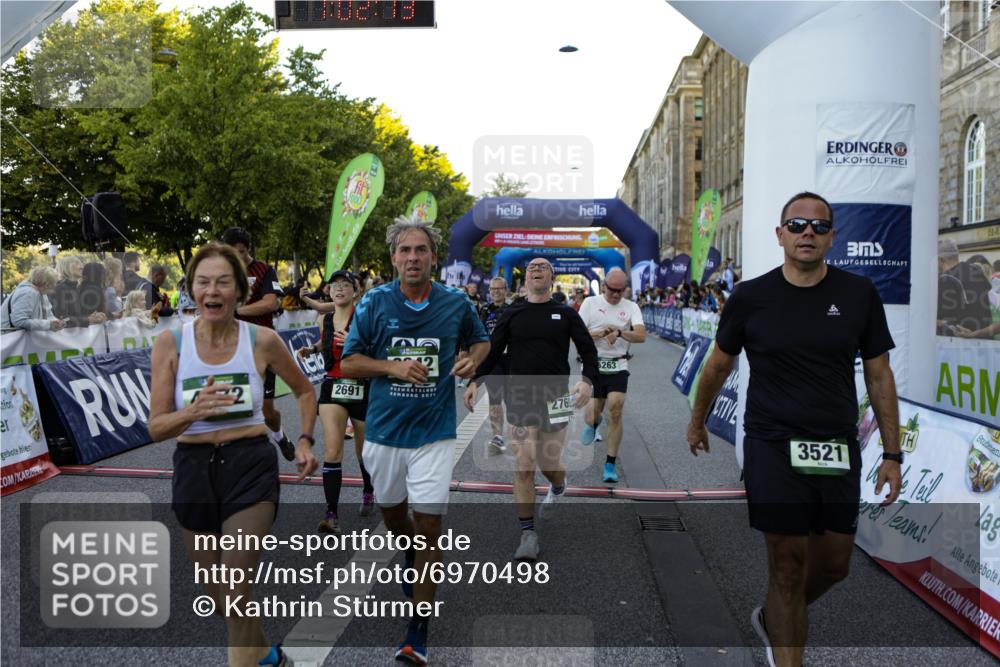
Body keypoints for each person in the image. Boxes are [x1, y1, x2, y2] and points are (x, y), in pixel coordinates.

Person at [686, 191, 902, 667]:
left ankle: (775, 617)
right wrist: (697, 419)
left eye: (819, 226)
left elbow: (879, 374)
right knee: (787, 564)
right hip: (771, 443)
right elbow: (717, 366)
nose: (809, 232)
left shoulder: (858, 294)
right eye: (798, 224)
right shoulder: (750, 297)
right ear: (780, 234)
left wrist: (892, 453)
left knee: (833, 566)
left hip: (836, 446)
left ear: (832, 238)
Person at [147, 242, 318, 667]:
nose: (213, 290)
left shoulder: (262, 340)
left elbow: (304, 390)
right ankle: (267, 654)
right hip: (193, 470)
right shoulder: (171, 344)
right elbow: (155, 427)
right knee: (219, 595)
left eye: (223, 282)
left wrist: (304, 440)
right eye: (203, 282)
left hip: (249, 464)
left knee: (236, 586)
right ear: (190, 291)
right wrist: (192, 412)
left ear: (239, 292)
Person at [341, 216, 489, 665]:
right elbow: (349, 363)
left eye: (420, 250)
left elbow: (481, 342)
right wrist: (392, 368)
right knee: (394, 516)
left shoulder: (455, 303)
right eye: (404, 251)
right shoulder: (374, 303)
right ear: (393, 258)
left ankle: (417, 631)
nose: (412, 258)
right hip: (384, 432)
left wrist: (472, 362)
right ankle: (408, 555)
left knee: (429, 527)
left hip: (434, 434)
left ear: (433, 257)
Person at [465, 258, 597, 561]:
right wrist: (475, 379)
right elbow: (493, 350)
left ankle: (558, 484)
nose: (537, 269)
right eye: (531, 268)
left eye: (543, 267)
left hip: (556, 396)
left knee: (548, 463)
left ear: (551, 277)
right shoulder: (512, 313)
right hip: (521, 394)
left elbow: (588, 351)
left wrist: (588, 381)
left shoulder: (565, 313)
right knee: (524, 463)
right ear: (525, 279)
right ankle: (528, 534)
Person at [296, 270, 375, 532]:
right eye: (335, 286)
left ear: (355, 291)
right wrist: (312, 349)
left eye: (345, 285)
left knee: (364, 452)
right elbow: (325, 340)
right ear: (329, 291)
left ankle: (368, 490)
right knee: (332, 451)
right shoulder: (324, 319)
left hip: (361, 385)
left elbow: (377, 348)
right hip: (333, 386)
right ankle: (331, 514)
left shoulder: (364, 317)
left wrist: (355, 342)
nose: (339, 289)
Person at [221, 227, 293, 461]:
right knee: (236, 402)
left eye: (241, 252)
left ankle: (280, 436)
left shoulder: (264, 270)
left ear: (248, 249)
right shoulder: (223, 271)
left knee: (267, 410)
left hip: (262, 346)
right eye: (232, 253)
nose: (237, 258)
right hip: (232, 344)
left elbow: (271, 303)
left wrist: (237, 310)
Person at [577, 268, 647, 483]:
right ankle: (593, 424)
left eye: (620, 290)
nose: (616, 295)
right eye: (612, 290)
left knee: (615, 409)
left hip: (618, 365)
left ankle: (610, 464)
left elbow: (641, 336)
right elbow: (576, 334)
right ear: (604, 286)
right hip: (593, 366)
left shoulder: (631, 306)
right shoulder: (589, 304)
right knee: (591, 415)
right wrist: (595, 334)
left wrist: (619, 333)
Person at [478, 277, 511, 454]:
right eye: (493, 289)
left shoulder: (514, 309)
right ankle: (497, 437)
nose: (496, 292)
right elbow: (477, 332)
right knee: (495, 400)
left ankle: (519, 434)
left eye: (499, 289)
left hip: (513, 360)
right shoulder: (484, 310)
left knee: (514, 401)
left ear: (506, 290)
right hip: (493, 361)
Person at [937, 237, 991, 334]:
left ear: (941, 260)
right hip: (984, 336)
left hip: (959, 340)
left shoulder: (945, 279)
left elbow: (945, 320)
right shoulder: (975, 270)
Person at [1, 266, 64, 331]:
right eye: (53, 283)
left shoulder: (42, 292)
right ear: (46, 284)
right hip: (9, 337)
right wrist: (48, 324)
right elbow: (19, 321)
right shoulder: (27, 293)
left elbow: (48, 315)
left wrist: (55, 322)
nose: (55, 285)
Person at [51, 255, 106, 327]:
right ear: (66, 267)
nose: (82, 267)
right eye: (77, 264)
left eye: (81, 264)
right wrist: (88, 319)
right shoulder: (61, 288)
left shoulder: (76, 289)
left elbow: (76, 315)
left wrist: (93, 317)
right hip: (66, 337)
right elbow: (63, 319)